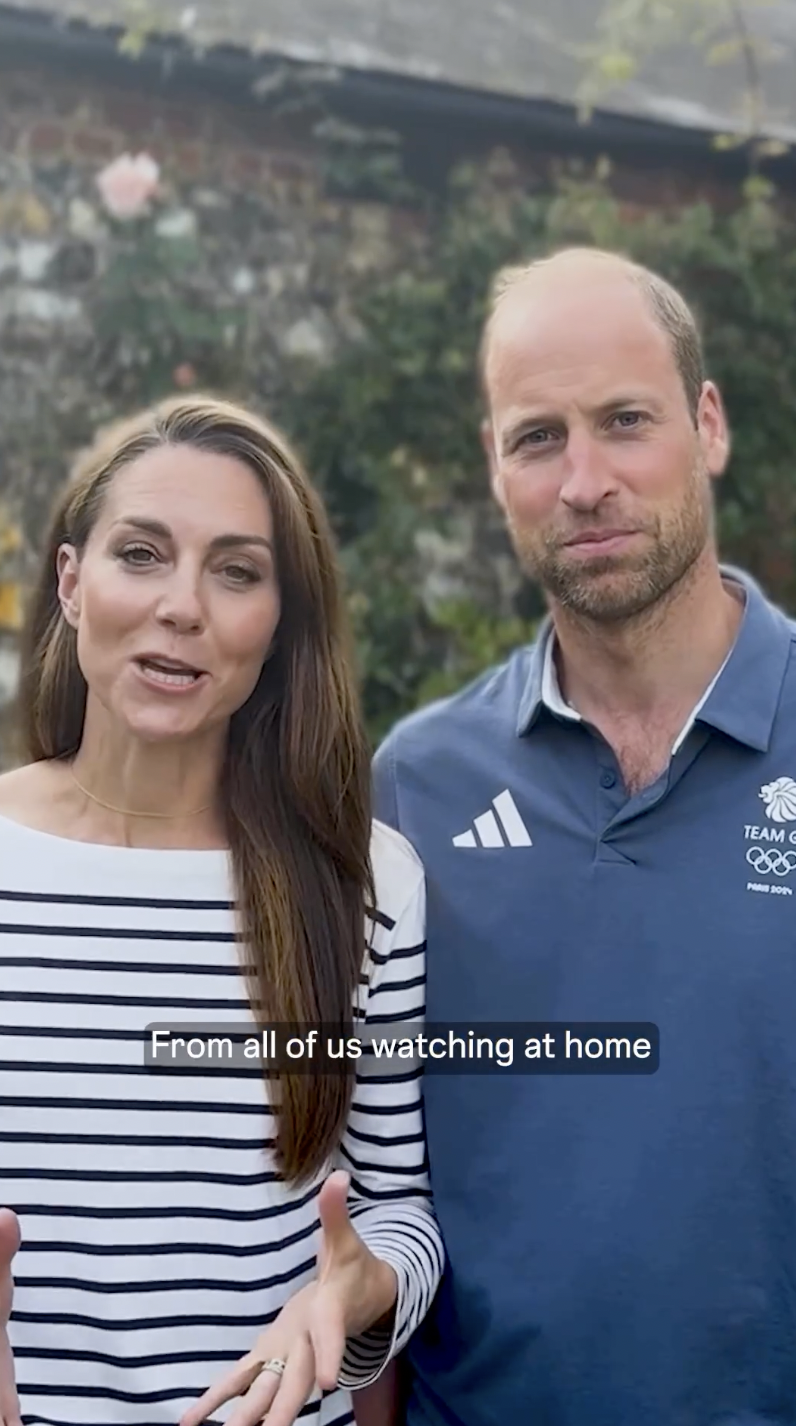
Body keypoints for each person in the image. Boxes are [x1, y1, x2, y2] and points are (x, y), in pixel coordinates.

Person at [373, 247, 796, 1426]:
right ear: (493, 467)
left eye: (624, 421)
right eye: (537, 436)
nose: (585, 480)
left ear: (707, 424)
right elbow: (372, 1171)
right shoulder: (416, 785)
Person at [0, 394, 442, 1426]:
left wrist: (354, 1288)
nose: (182, 606)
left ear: (278, 624)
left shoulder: (366, 884)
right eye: (141, 554)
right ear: (71, 582)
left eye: (237, 571)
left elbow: (400, 1217)